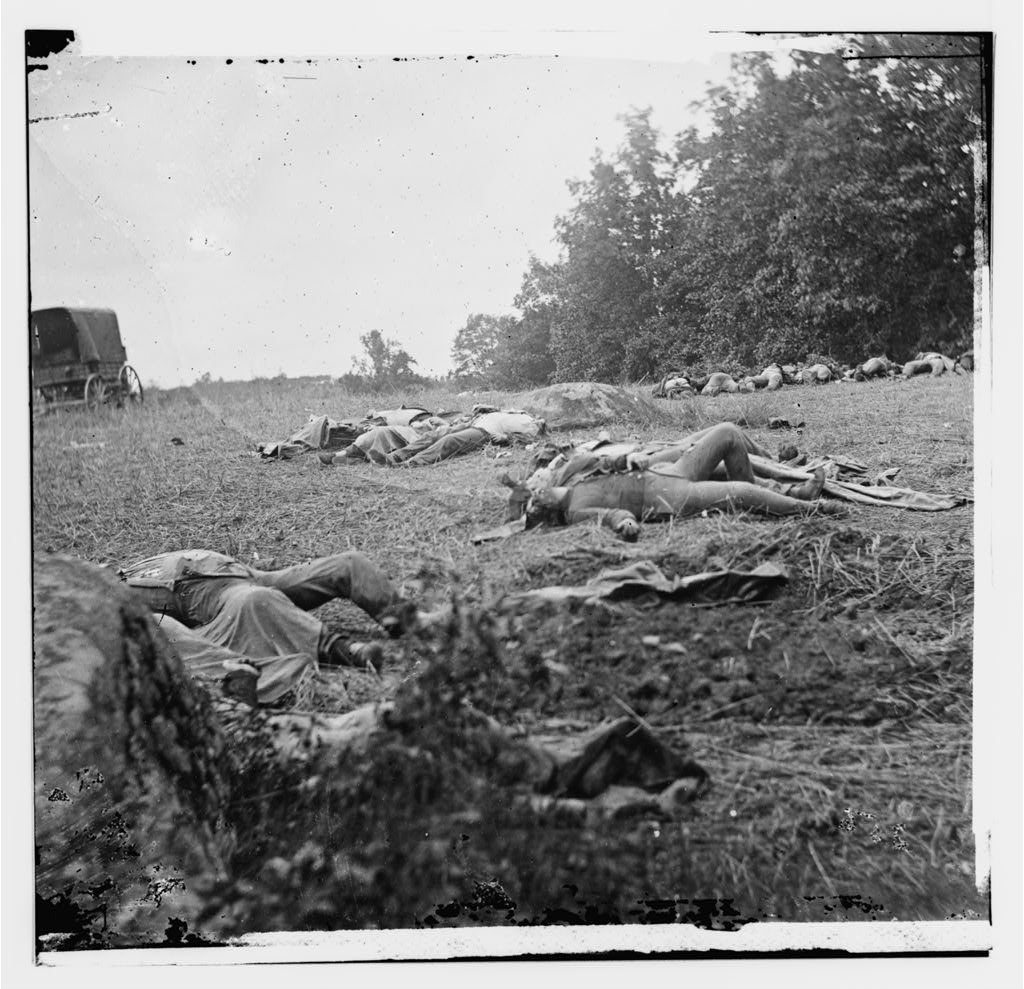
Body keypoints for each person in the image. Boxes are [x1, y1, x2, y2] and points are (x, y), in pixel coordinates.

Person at [120, 549, 423, 703]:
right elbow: (172, 635)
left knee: (348, 562)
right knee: (255, 601)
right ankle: (348, 652)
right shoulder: (111, 604)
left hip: (236, 570)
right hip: (214, 597)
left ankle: (410, 622)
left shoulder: (116, 572)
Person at [519, 423, 838, 540]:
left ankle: (765, 501)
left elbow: (607, 462)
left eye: (536, 489)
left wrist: (628, 459)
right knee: (739, 491)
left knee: (726, 432)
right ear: (545, 508)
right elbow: (615, 517)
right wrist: (626, 525)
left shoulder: (573, 473)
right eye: (536, 498)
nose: (538, 489)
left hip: (670, 471)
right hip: (669, 497)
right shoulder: (575, 512)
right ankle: (811, 508)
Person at [320, 409, 545, 468]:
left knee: (446, 443)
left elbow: (523, 437)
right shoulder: (502, 412)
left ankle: (409, 464)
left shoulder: (525, 420)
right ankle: (393, 458)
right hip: (473, 425)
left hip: (483, 433)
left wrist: (502, 438)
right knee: (429, 438)